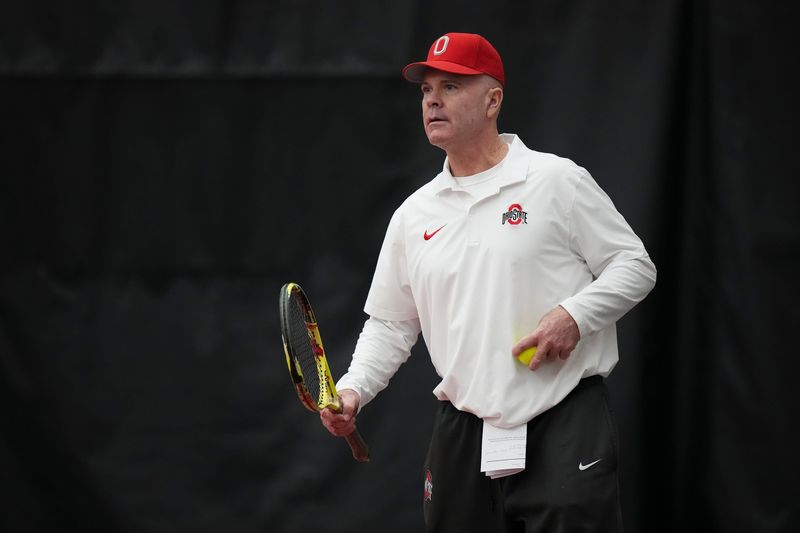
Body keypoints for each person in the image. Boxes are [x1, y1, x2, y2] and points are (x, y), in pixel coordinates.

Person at [320, 32, 656, 532]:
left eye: (451, 86)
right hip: (461, 430)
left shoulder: (555, 181)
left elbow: (635, 266)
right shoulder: (414, 215)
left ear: (493, 100)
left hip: (561, 418)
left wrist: (575, 316)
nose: (432, 99)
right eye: (426, 89)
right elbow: (391, 324)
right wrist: (353, 389)